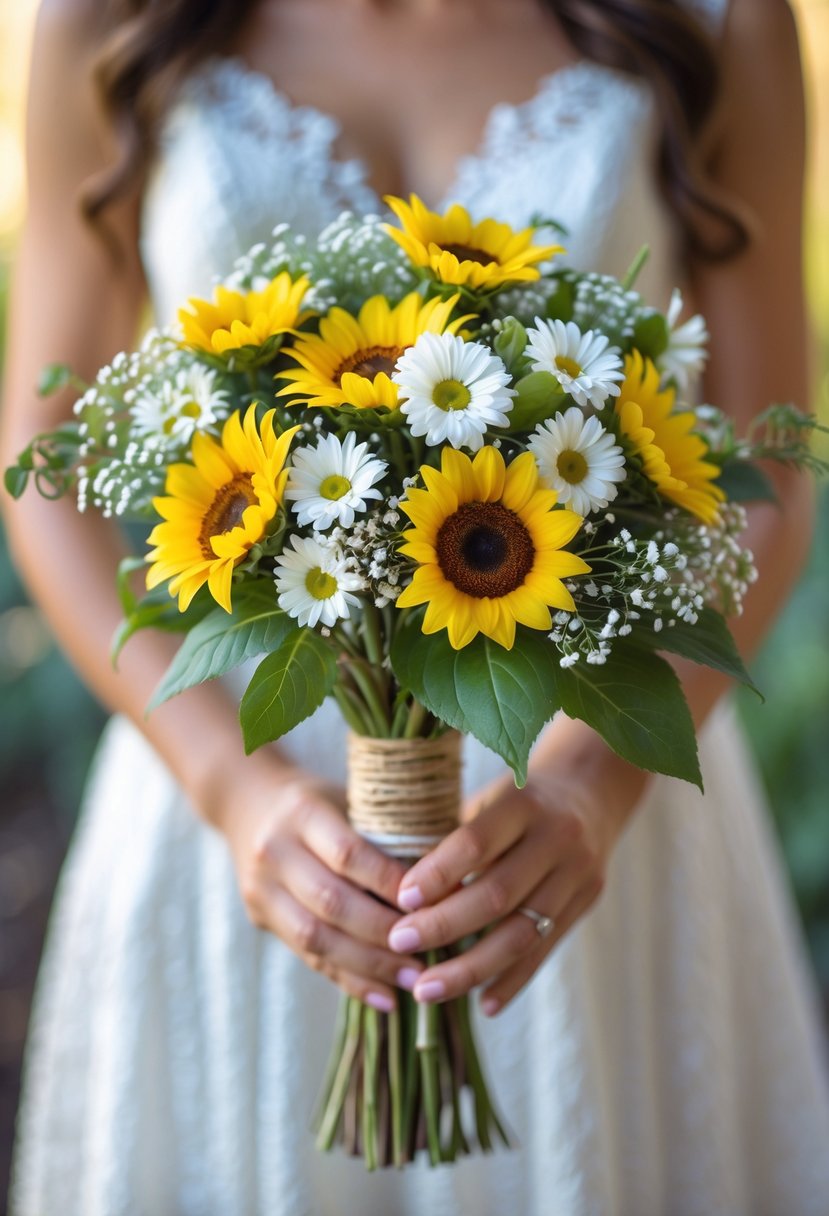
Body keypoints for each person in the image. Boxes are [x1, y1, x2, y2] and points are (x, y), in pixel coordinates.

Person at [3, 0, 829, 1212]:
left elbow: (764, 468)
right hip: (250, 791)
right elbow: (46, 462)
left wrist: (592, 787)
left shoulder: (717, 19)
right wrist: (230, 787)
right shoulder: (111, 22)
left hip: (590, 795)